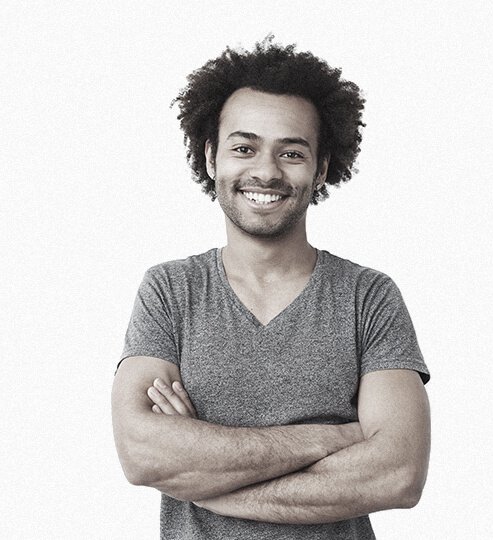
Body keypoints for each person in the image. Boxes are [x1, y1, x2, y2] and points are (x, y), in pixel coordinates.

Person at [111, 37, 431, 540]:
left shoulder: (368, 297)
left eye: (292, 153)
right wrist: (335, 438)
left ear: (321, 168)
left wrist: (203, 479)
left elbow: (397, 474)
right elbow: (142, 453)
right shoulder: (170, 291)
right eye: (244, 148)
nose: (266, 171)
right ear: (211, 157)